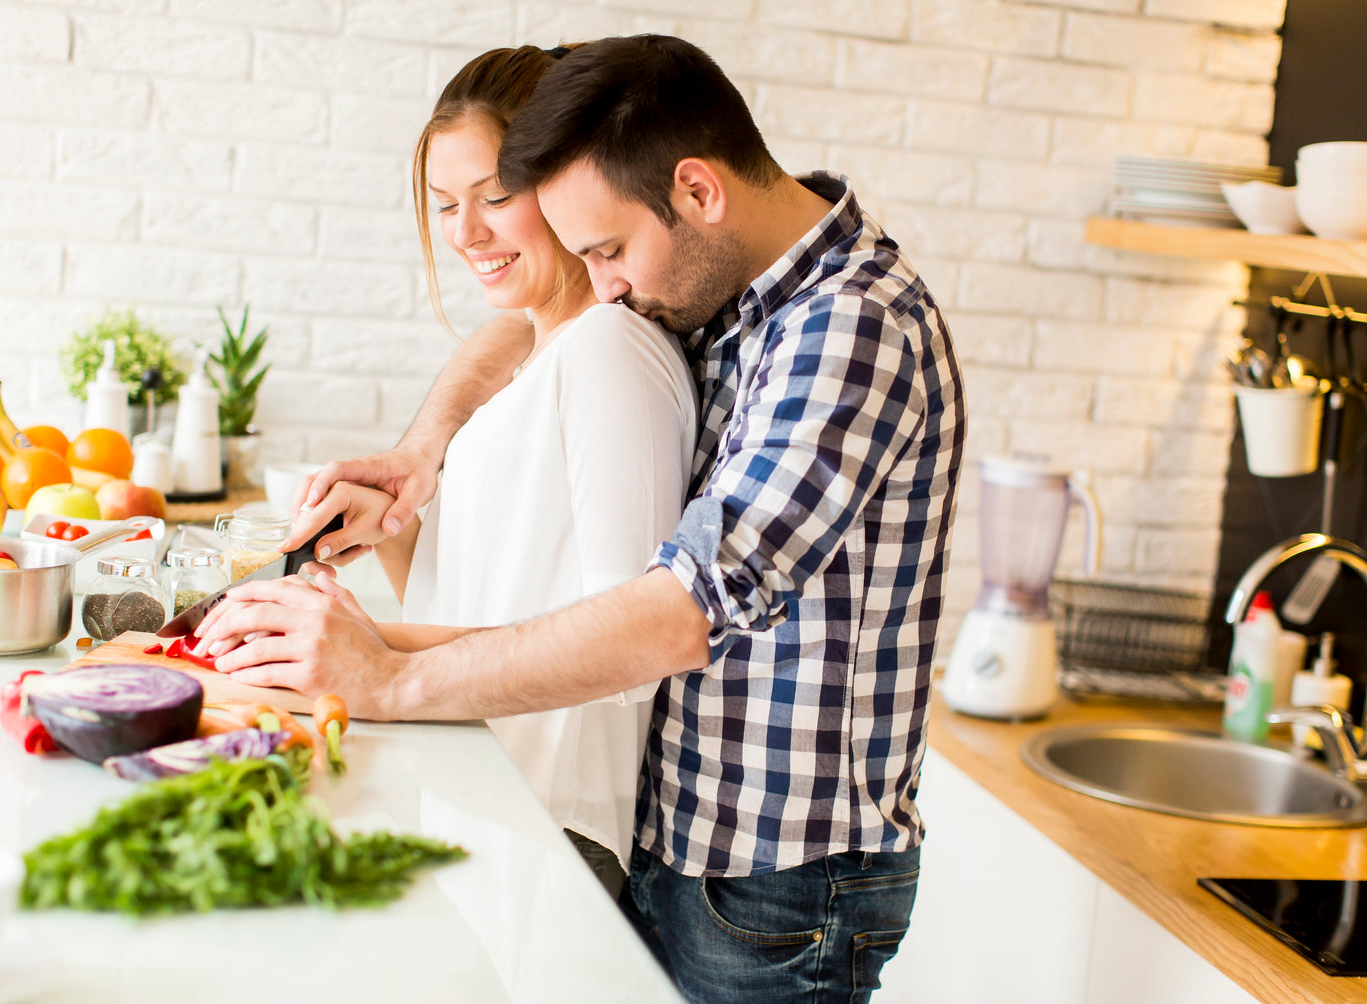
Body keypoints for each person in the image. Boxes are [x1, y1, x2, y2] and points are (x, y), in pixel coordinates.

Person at [197, 34, 965, 1004]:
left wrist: (385, 670)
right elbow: (533, 328)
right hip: (684, 838)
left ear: (698, 191)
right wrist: (418, 464)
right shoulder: (733, 284)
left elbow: (669, 617)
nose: (605, 281)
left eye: (605, 247)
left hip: (777, 871)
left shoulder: (847, 327)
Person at [290, 44, 699, 895]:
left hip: (553, 819)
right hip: (479, 787)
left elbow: (626, 643)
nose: (465, 233)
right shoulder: (538, 355)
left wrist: (370, 654)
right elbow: (469, 599)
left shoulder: (610, 355)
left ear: (565, 185)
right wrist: (391, 525)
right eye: (445, 205)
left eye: (496, 198)